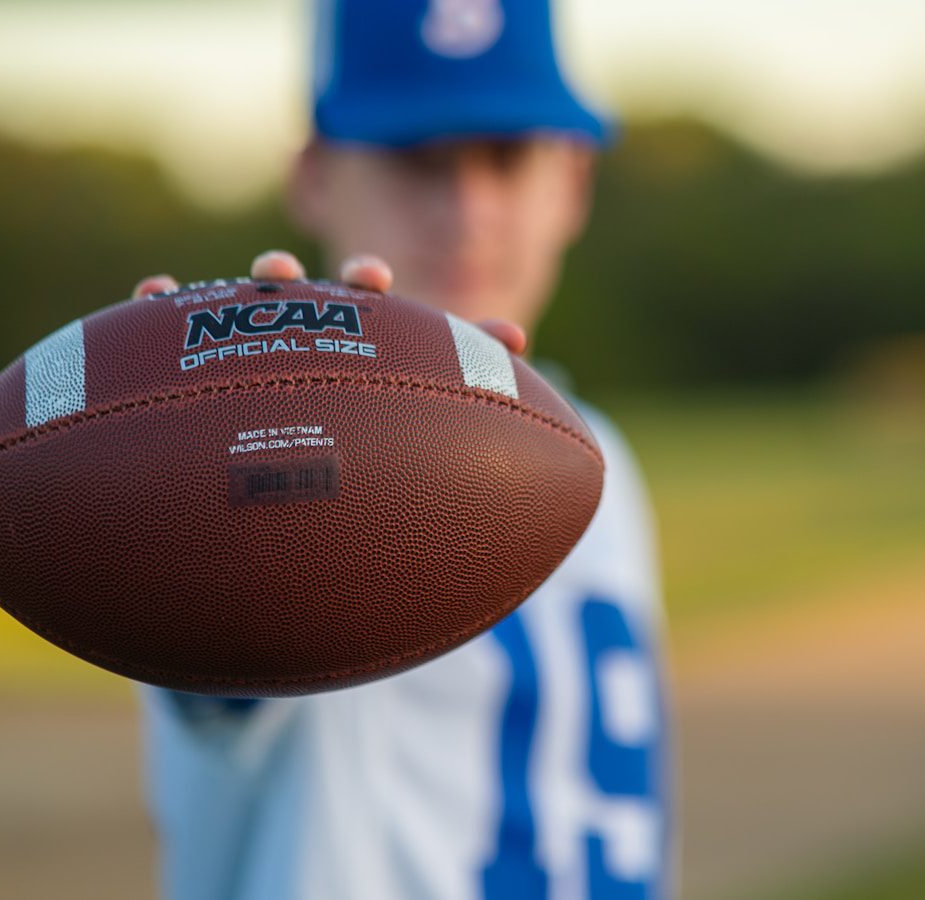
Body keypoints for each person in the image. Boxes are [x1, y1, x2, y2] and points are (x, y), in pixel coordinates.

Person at [129, 2, 672, 898]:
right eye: (416, 158)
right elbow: (232, 673)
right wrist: (199, 474)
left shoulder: (598, 460)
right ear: (313, 176)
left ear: (574, 181)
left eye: (508, 156)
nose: (468, 210)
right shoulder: (296, 466)